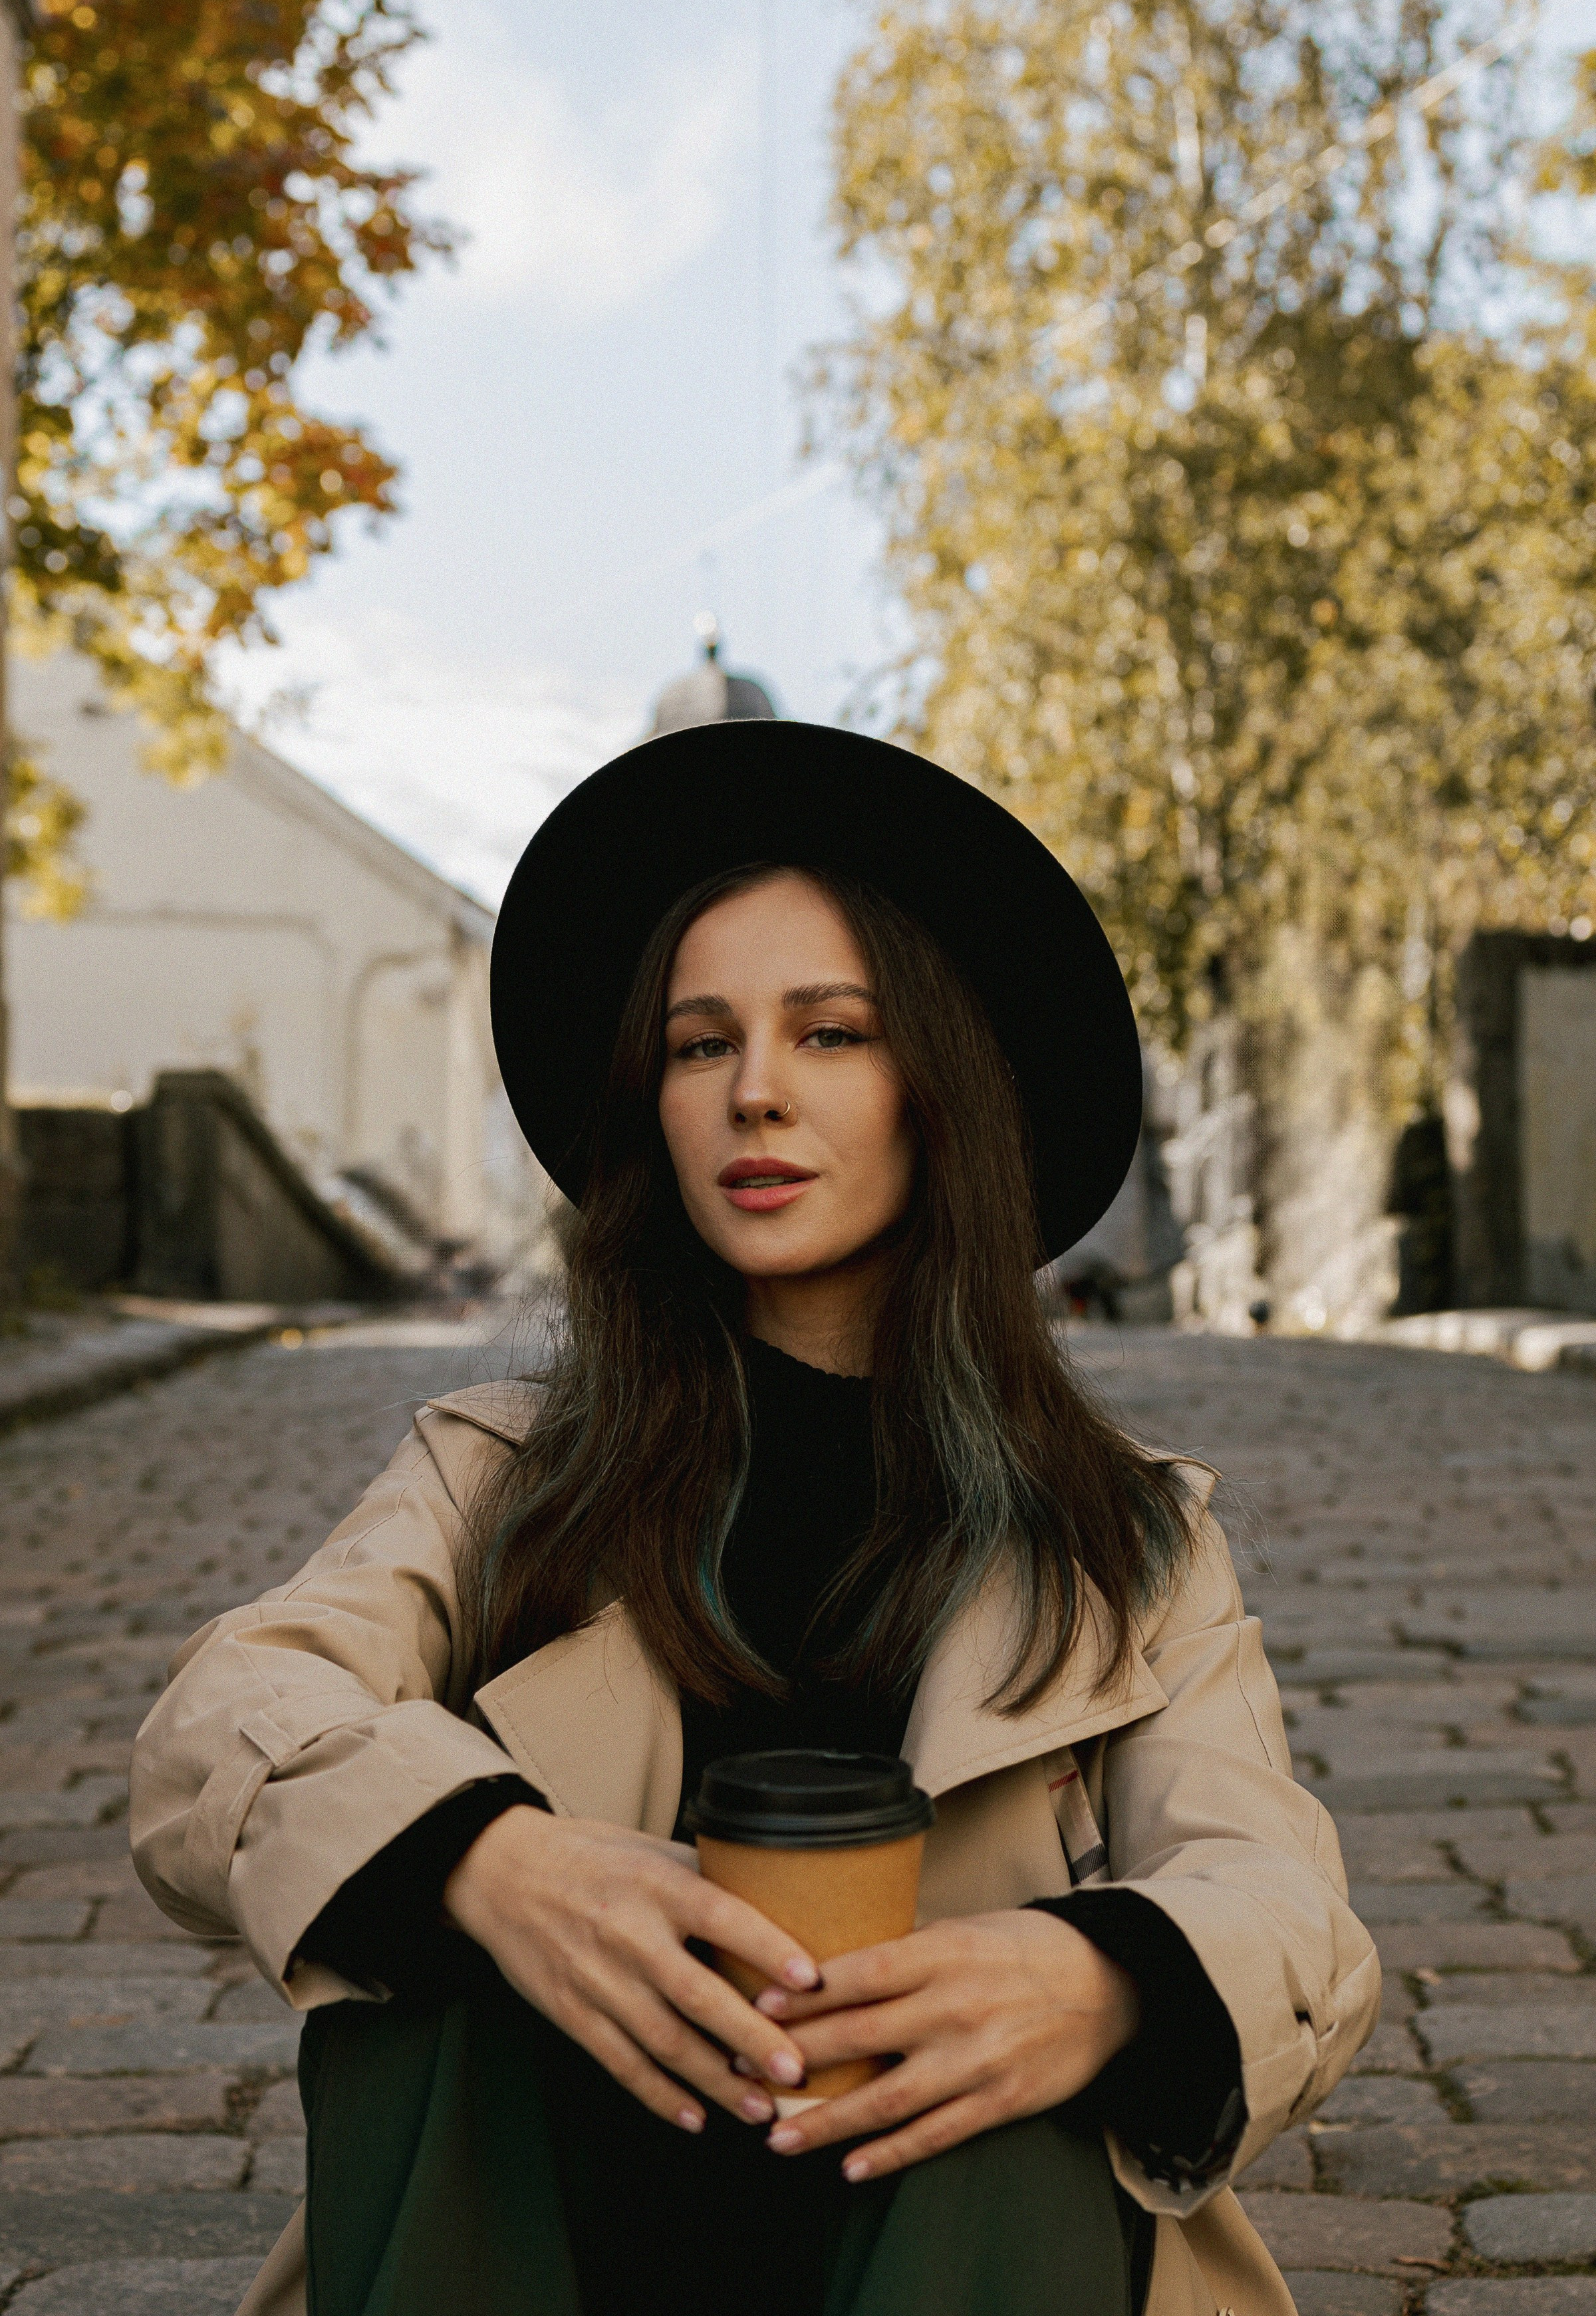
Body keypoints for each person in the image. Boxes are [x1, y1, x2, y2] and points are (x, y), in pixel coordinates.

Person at [130, 724, 1378, 2316]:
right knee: (416, 1954)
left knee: (1014, 2061)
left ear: (941, 1090)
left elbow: (1286, 1907)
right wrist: (494, 1861)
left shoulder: (1120, 1537)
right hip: (575, 2213)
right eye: (700, 1043)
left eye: (832, 1033)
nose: (757, 1093)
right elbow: (216, 1728)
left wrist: (1098, 1984)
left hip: (948, 2233)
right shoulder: (500, 1473)